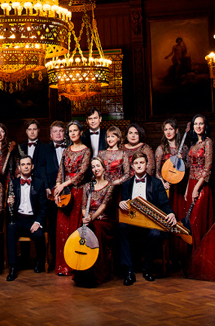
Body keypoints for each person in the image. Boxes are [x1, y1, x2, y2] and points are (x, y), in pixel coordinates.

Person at [119, 151, 177, 285]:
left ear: (147, 164)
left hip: (151, 223)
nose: (139, 165)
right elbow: (124, 202)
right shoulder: (126, 184)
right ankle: (128, 271)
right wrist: (121, 203)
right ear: (132, 166)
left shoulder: (157, 183)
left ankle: (147, 269)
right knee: (121, 228)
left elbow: (164, 204)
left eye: (142, 162)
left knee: (156, 234)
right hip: (133, 223)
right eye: (136, 163)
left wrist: (171, 213)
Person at [53, 120, 91, 276]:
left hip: (77, 192)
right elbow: (61, 171)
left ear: (81, 132)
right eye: (70, 131)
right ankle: (63, 266)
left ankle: (75, 265)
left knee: (74, 229)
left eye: (75, 130)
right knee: (62, 228)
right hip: (64, 193)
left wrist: (64, 184)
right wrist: (57, 189)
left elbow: (82, 173)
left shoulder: (86, 151)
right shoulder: (66, 150)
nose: (72, 133)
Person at [73, 157, 114, 288]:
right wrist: (86, 217)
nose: (96, 169)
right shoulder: (87, 186)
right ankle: (82, 272)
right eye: (93, 167)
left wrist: (92, 218)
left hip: (104, 220)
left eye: (98, 166)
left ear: (103, 168)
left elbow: (103, 206)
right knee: (82, 230)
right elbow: (83, 206)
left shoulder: (110, 186)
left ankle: (96, 274)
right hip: (89, 219)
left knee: (95, 227)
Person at [6, 155, 47, 281]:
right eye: (23, 164)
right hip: (18, 219)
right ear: (19, 167)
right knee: (10, 229)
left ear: (32, 166)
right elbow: (9, 210)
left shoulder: (39, 183)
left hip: (32, 220)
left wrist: (38, 222)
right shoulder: (13, 183)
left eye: (28, 164)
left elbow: (43, 207)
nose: (25, 167)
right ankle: (13, 267)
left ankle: (39, 261)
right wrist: (9, 204)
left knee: (39, 235)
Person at [184, 114, 213, 249]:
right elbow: (191, 169)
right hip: (191, 184)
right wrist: (187, 189)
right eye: (196, 124)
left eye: (201, 123)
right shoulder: (193, 144)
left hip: (201, 186)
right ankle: (192, 256)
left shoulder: (208, 142)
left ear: (205, 126)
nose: (198, 126)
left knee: (197, 221)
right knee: (190, 222)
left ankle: (200, 254)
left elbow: (208, 168)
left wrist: (196, 188)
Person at [40, 120, 65, 270]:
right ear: (50, 134)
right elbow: (41, 169)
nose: (58, 134)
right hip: (51, 193)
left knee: (67, 226)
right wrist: (46, 187)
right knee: (54, 228)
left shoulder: (70, 147)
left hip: (68, 192)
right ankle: (55, 259)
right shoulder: (44, 148)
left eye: (61, 131)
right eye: (55, 131)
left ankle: (68, 258)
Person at [155, 118, 187, 219]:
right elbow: (157, 172)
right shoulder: (161, 149)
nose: (168, 132)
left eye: (171, 129)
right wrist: (163, 183)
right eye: (166, 129)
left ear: (176, 130)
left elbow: (188, 168)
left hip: (180, 186)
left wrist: (182, 162)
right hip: (166, 187)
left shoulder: (184, 148)